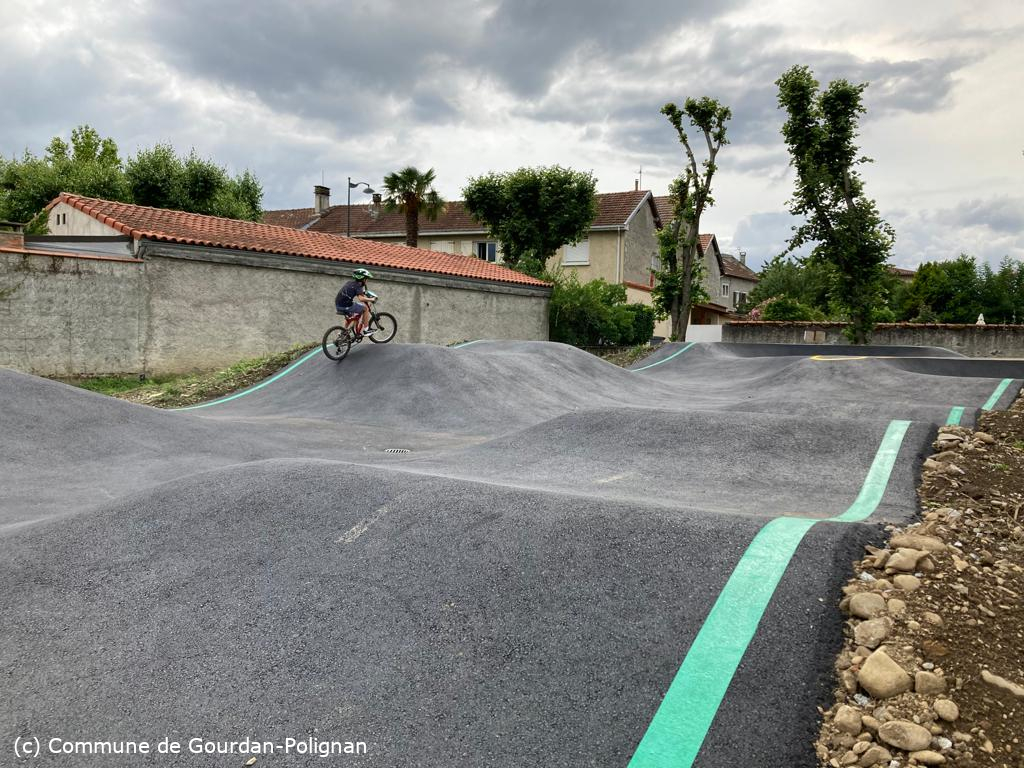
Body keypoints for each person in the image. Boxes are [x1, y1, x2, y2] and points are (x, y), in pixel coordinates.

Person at [335, 268, 375, 335]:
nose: (366, 281)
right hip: (346, 306)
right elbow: (361, 299)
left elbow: (354, 291)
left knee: (352, 315)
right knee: (365, 308)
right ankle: (366, 329)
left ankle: (343, 331)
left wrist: (363, 293)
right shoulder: (358, 286)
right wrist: (371, 299)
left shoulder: (349, 283)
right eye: (366, 279)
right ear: (363, 279)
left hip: (338, 305)